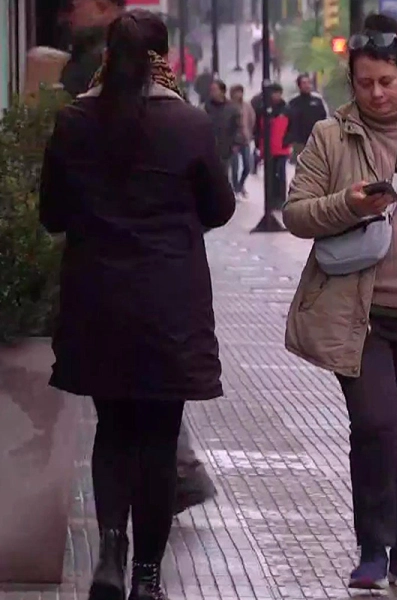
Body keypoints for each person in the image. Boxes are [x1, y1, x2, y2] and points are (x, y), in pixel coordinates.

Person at [39, 10, 235, 600]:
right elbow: (221, 208)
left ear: (107, 56)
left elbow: (51, 214)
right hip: (168, 306)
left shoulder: (75, 121)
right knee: (157, 437)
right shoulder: (189, 125)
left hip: (97, 301)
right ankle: (148, 575)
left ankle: (108, 556)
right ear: (163, 60)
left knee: (113, 431)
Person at [281, 12, 397, 592]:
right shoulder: (330, 137)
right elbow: (296, 213)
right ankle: (372, 546)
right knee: (376, 425)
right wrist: (350, 204)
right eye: (364, 83)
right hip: (360, 317)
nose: (376, 93)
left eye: (386, 82)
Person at [60, 0, 125, 98]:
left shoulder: (107, 58)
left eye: (73, 8)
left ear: (103, 7)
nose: (68, 17)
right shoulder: (84, 52)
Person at [252, 83, 291, 204]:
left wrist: (288, 141)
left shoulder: (286, 109)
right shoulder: (262, 109)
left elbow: (292, 127)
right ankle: (271, 199)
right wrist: (258, 143)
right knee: (270, 175)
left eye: (278, 93)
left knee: (281, 174)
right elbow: (257, 129)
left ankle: (281, 199)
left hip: (282, 148)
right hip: (267, 148)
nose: (276, 96)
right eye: (274, 93)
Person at [285, 73, 329, 164]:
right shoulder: (293, 102)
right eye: (304, 83)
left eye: (308, 83)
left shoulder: (317, 101)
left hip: (315, 140)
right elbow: (288, 122)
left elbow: (325, 118)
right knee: (301, 166)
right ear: (299, 85)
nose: (307, 85)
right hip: (299, 142)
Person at [205, 79, 243, 178]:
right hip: (209, 147)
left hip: (226, 147)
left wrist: (236, 143)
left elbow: (238, 126)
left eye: (215, 90)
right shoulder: (206, 107)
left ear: (222, 92)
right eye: (211, 90)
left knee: (223, 174)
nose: (212, 92)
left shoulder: (232, 108)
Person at [230, 84, 256, 197]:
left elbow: (252, 119)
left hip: (245, 140)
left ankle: (240, 186)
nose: (239, 94)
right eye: (236, 92)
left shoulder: (246, 106)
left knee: (247, 165)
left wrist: (249, 133)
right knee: (234, 167)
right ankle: (235, 188)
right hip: (232, 141)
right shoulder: (229, 106)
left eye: (240, 92)